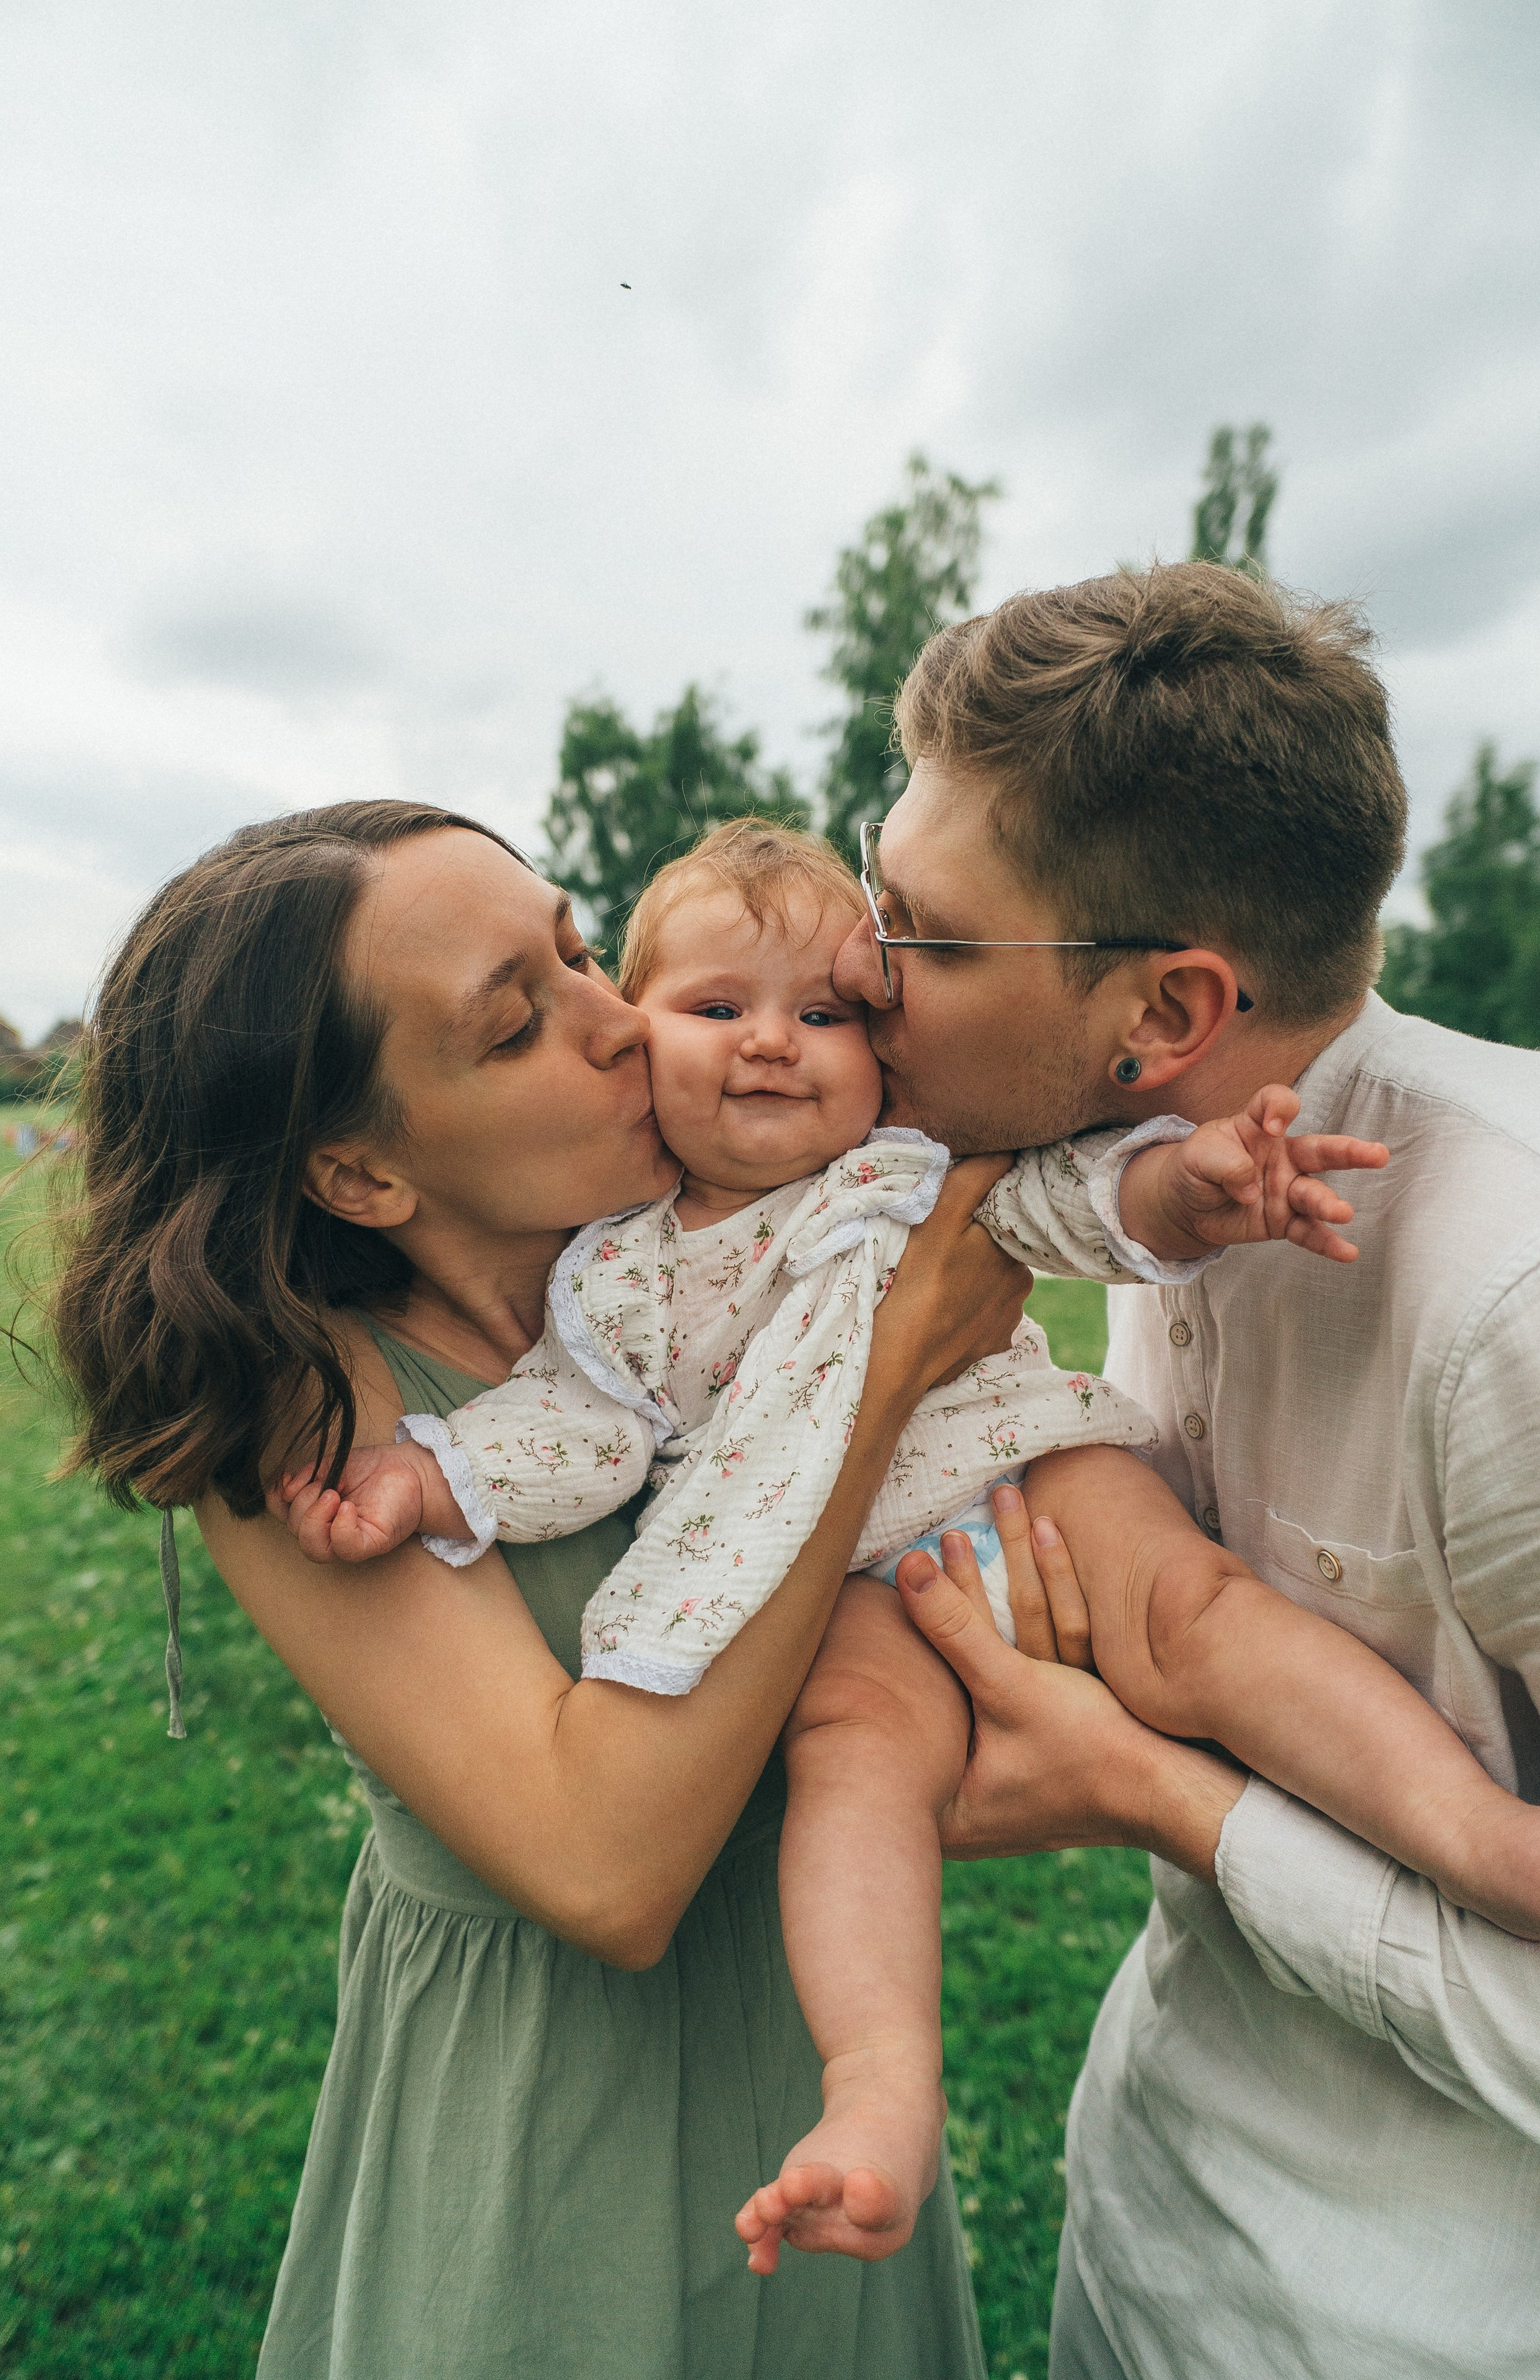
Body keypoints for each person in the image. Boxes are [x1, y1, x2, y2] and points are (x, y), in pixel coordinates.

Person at [277, 817, 1540, 2291]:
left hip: (1008, 1453)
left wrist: (1200, 1187)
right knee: (853, 1763)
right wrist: (436, 1478)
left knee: (1197, 1615)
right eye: (716, 1011)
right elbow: (583, 1436)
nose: (774, 1046)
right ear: (651, 1038)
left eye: (824, 1013)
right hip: (848, 1580)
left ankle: (1492, 1844)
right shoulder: (619, 1270)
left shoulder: (917, 1167)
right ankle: (879, 2083)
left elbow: (1090, 1203)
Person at [48, 797, 1045, 2380]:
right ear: (361, 1172)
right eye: (519, 1025)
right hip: (548, 2130)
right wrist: (880, 1372)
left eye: (582, 951)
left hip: (814, 2054)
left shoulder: (713, 1279)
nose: (616, 1023)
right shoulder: (309, 1422)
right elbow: (608, 1870)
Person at [825, 560, 1540, 2379]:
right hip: (1148, 2229)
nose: (861, 972)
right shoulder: (1127, 1188)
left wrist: (1169, 1800)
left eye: (921, 934)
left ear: (1165, 1012)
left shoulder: (1531, 1295)